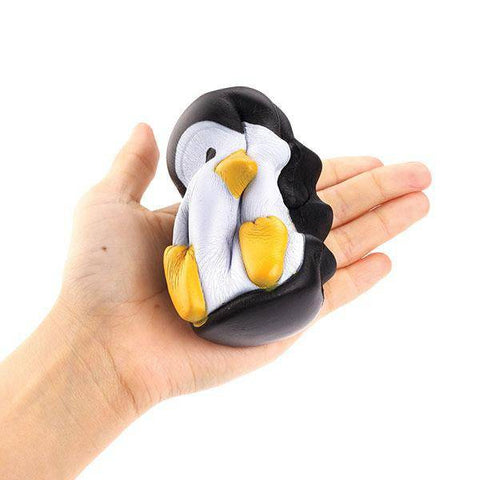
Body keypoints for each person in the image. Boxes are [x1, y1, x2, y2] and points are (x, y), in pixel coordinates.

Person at [0, 124, 431, 479]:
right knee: (259, 222)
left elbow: (190, 226)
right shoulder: (234, 173)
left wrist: (96, 349)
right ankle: (257, 268)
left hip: (223, 302)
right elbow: (228, 207)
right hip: (260, 285)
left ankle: (228, 281)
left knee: (251, 231)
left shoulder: (219, 180)